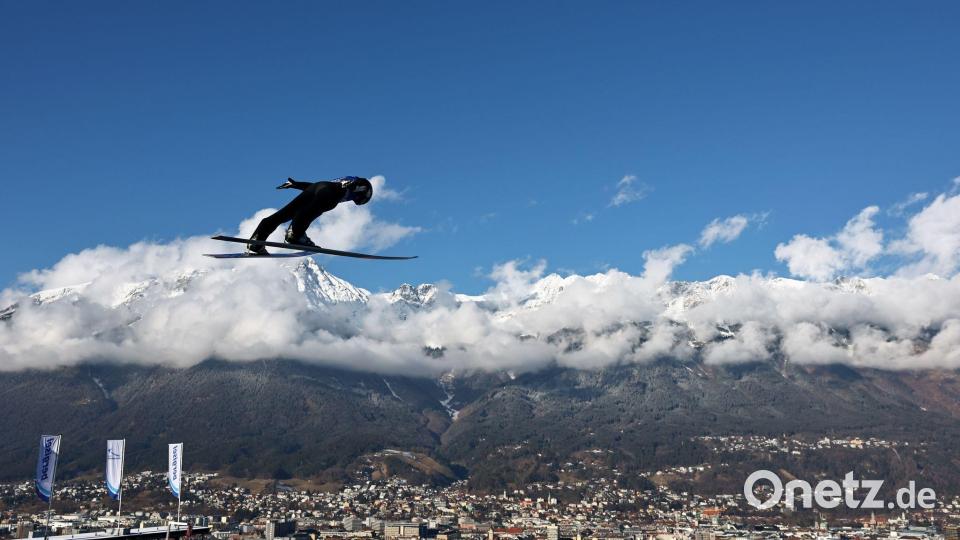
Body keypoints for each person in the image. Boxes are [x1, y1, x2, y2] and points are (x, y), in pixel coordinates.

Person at [247, 176, 373, 255]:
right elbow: (360, 182)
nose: (355, 201)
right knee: (311, 210)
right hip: (329, 192)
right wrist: (353, 184)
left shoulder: (338, 184)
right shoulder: (362, 185)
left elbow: (318, 188)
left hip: (317, 186)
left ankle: (256, 241)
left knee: (284, 214)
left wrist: (296, 184)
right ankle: (295, 235)